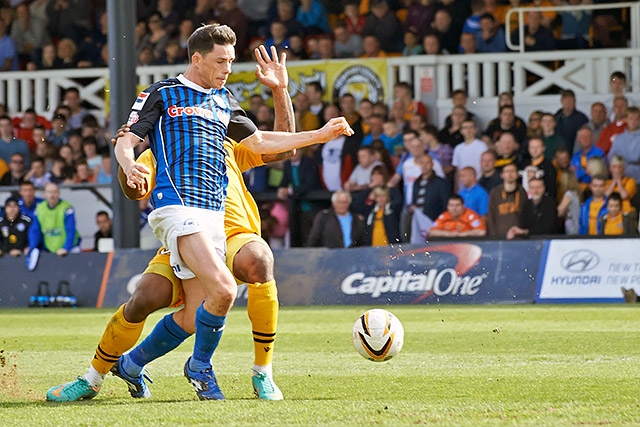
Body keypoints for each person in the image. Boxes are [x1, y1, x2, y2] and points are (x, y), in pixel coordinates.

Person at [114, 26, 353, 401]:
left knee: (201, 309)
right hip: (177, 212)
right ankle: (184, 368)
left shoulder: (224, 108)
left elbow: (265, 143)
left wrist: (315, 130)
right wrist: (130, 168)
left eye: (231, 60)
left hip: (213, 221)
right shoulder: (163, 103)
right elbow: (127, 144)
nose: (228, 68)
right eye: (221, 61)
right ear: (197, 59)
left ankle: (131, 365)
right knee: (191, 291)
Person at [29, 182, 81, 256]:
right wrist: (32, 248)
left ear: (59, 193)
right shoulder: (39, 209)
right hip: (50, 250)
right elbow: (34, 231)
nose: (52, 195)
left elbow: (70, 230)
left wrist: (66, 248)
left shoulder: (67, 208)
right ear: (44, 194)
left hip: (70, 249)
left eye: (55, 192)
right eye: (49, 192)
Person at [487, 162, 529, 239]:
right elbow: (491, 215)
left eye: (512, 171)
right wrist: (493, 236)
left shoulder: (522, 192)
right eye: (507, 171)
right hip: (499, 236)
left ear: (517, 174)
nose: (510, 174)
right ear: (502, 175)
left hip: (518, 236)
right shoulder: (495, 192)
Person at [608, 107, 640, 184]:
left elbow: (635, 157)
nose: (633, 122)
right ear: (626, 119)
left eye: (636, 119)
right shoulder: (618, 138)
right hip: (622, 178)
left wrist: (623, 158)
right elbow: (611, 157)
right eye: (631, 118)